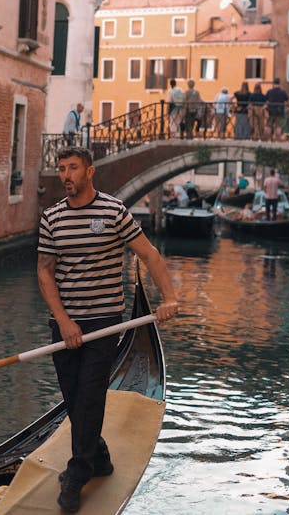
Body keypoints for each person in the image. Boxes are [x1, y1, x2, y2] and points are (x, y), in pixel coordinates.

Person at [37, 146, 178, 513]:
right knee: (73, 398)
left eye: (73, 168)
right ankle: (98, 455)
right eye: (62, 169)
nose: (66, 175)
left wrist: (169, 298)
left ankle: (77, 473)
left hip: (104, 321)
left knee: (89, 395)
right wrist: (64, 322)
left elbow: (149, 254)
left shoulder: (114, 211)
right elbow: (44, 271)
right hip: (64, 323)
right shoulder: (51, 217)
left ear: (90, 172)